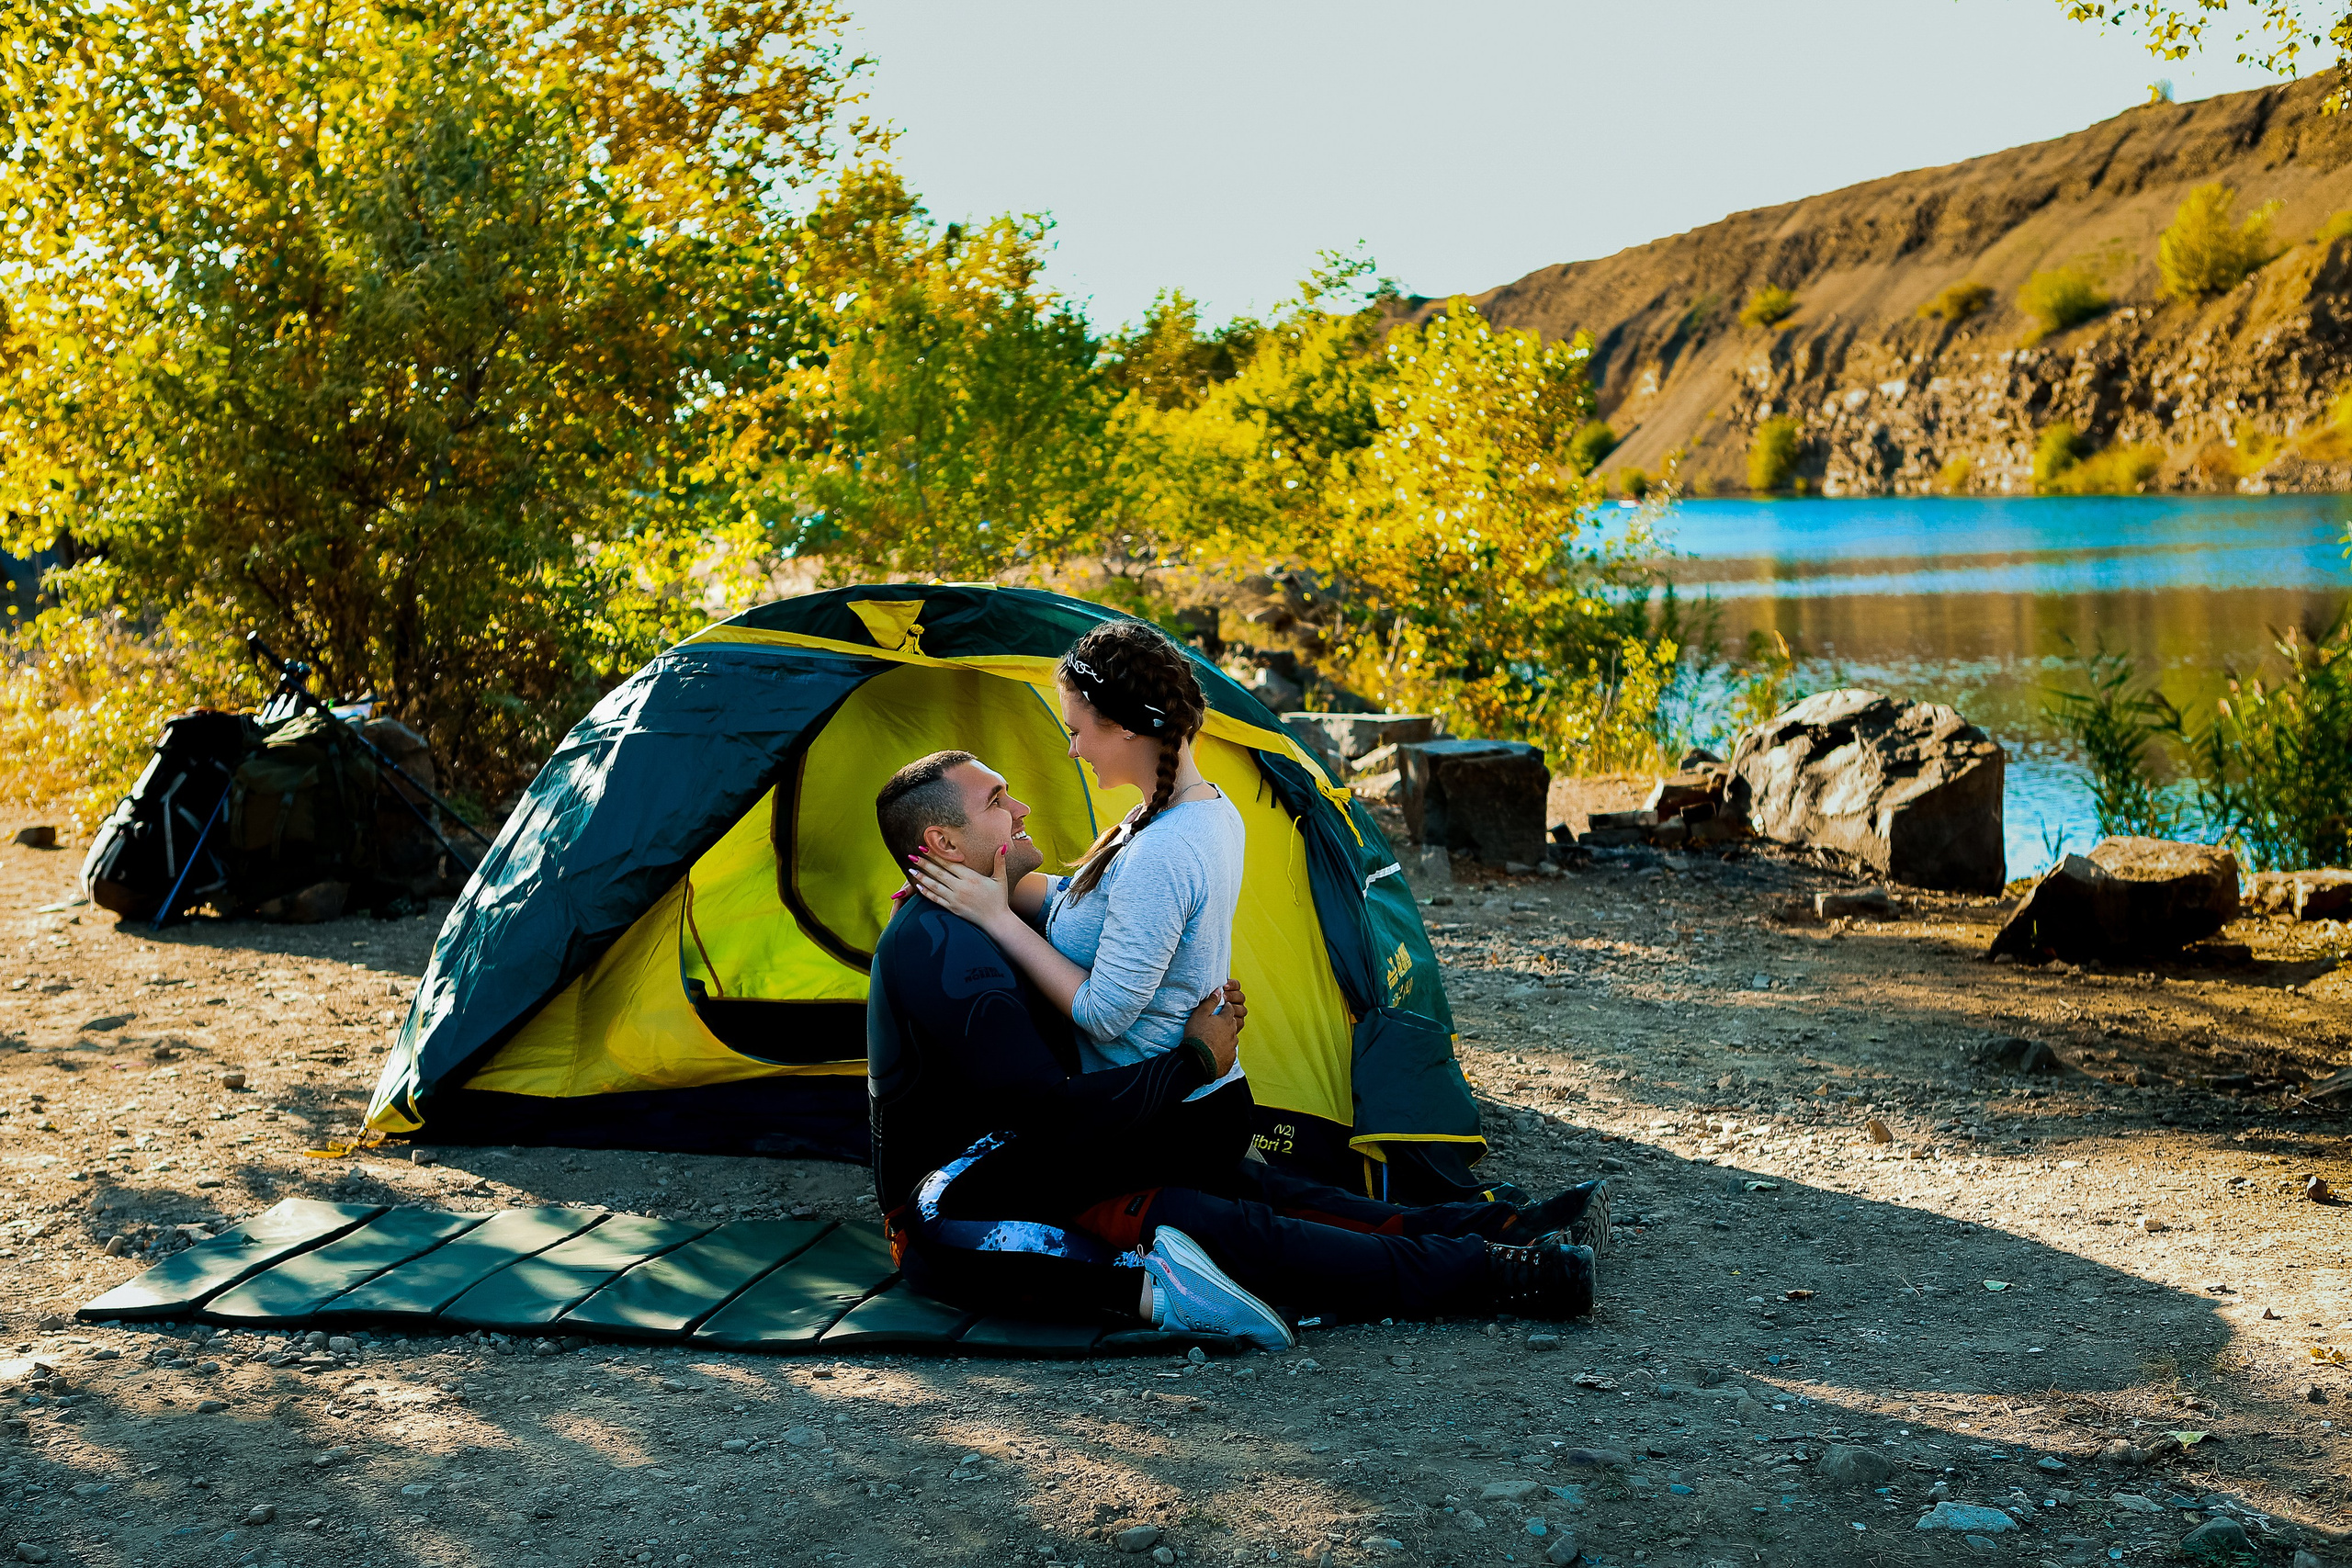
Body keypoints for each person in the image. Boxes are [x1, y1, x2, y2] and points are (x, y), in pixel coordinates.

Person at [867, 749, 1607, 1348]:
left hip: (1055, 1169)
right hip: (969, 1209)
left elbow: (1077, 918)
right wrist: (1195, 1058)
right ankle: (1500, 1274)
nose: (1022, 806)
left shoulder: (987, 910)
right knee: (1243, 1227)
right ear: (942, 844)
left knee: (1262, 1189)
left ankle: (1503, 1224)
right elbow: (1049, 1113)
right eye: (998, 799)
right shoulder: (938, 944)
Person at [904, 617, 1252, 1171]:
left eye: (1075, 730)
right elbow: (1093, 904)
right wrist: (974, 878)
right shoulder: (1202, 808)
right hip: (1183, 1103)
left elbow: (1103, 1013)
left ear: (1125, 728)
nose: (1072, 750)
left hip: (1167, 1121)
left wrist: (996, 918)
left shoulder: (1162, 850)